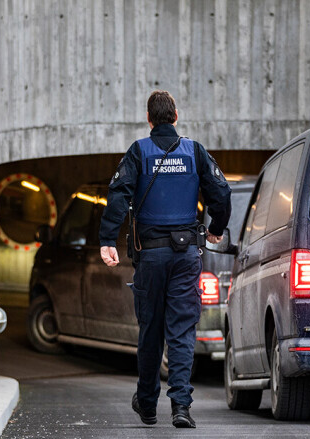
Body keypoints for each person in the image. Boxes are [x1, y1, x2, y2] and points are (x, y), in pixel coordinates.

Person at [99, 90, 231, 428]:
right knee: (182, 331)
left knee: (151, 331)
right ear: (175, 116)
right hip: (186, 255)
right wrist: (216, 227)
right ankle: (181, 407)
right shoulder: (195, 151)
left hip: (151, 256)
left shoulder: (138, 152)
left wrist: (107, 240)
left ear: (149, 118)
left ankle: (147, 404)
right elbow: (221, 192)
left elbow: (118, 195)